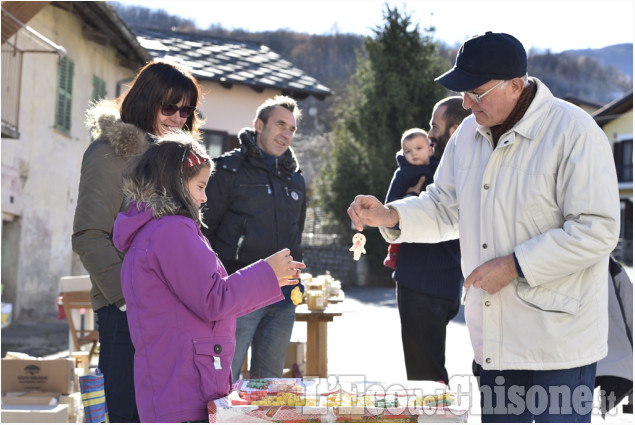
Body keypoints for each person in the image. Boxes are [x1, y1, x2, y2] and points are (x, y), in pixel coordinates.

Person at [348, 31, 620, 422]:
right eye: (463, 92)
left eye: (475, 92)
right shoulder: (466, 140)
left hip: (558, 343)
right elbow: (444, 207)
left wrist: (514, 266)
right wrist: (391, 216)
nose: (465, 103)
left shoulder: (574, 132)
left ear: (515, 85)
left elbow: (596, 229)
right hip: (494, 339)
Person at [112, 134, 304, 422]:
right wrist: (268, 272)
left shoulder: (156, 231)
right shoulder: (171, 232)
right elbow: (214, 298)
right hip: (186, 388)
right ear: (174, 183)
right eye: (200, 186)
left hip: (177, 384)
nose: (204, 197)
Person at [72, 59, 202, 422]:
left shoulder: (176, 161)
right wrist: (132, 300)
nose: (178, 118)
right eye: (169, 107)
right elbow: (88, 236)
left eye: (186, 110)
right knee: (126, 412)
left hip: (174, 311)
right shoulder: (108, 154)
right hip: (126, 311)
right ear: (146, 101)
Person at [201, 95, 306, 381]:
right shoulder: (227, 169)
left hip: (283, 295)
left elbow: (296, 235)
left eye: (292, 129)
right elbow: (204, 231)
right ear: (259, 125)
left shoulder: (295, 178)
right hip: (238, 289)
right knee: (225, 379)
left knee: (270, 383)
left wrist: (297, 283)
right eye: (280, 124)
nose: (286, 133)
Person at [383, 129, 435, 269]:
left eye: (419, 148)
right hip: (404, 217)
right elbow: (390, 202)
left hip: (428, 224)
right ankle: (393, 254)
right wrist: (410, 196)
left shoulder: (436, 168)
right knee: (398, 235)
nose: (414, 153)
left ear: (430, 150)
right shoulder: (403, 173)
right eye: (408, 151)